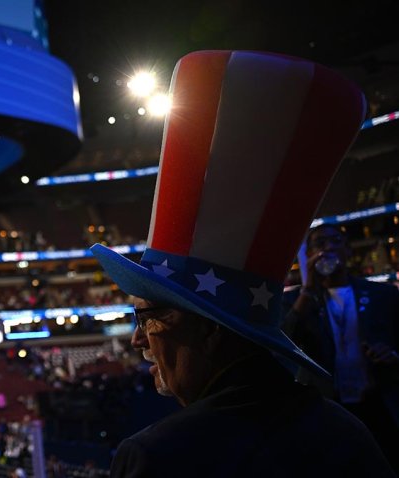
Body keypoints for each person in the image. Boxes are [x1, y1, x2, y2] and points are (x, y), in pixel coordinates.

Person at [89, 50, 395, 477]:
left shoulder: (156, 457)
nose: (138, 340)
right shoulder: (348, 433)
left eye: (147, 317)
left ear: (213, 328)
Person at [284, 223, 399, 470]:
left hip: (378, 404)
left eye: (335, 241)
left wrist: (392, 354)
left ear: (348, 249)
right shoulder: (298, 301)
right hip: (328, 409)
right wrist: (307, 291)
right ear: (310, 256)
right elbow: (285, 341)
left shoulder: (383, 295)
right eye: (319, 244)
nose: (328, 248)